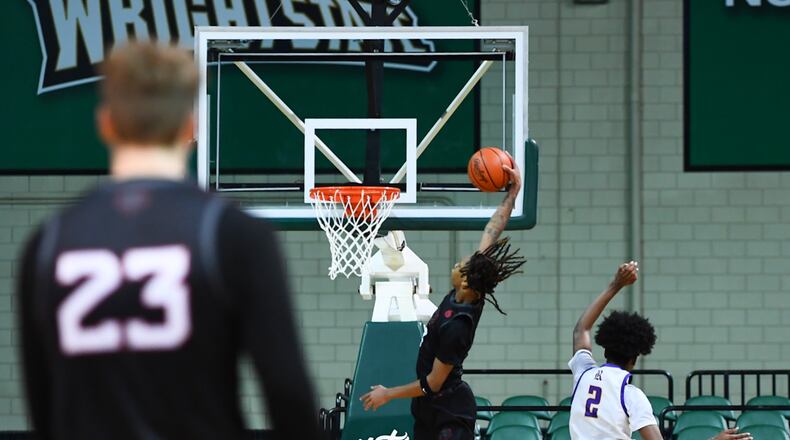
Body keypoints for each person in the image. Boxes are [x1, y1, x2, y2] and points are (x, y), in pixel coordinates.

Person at [17, 42, 320, 440]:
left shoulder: (48, 243)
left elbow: (44, 408)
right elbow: (287, 392)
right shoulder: (233, 233)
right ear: (190, 126)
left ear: (106, 123)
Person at [360, 160, 526, 440]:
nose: (455, 265)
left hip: (450, 410)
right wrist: (512, 193)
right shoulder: (468, 291)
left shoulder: (458, 327)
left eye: (458, 265)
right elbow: (492, 231)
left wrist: (388, 394)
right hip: (429, 410)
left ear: (464, 280)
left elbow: (433, 383)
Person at [569, 263, 752, 440]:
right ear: (634, 358)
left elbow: (581, 329)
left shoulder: (583, 373)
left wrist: (616, 284)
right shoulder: (631, 395)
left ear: (606, 348)